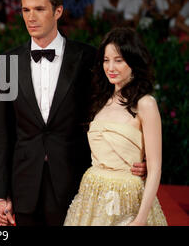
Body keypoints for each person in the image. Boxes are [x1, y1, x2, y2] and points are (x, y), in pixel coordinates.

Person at [0, 0, 146, 226]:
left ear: (58, 11)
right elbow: (2, 131)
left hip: (74, 181)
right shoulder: (9, 62)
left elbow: (109, 112)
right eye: (25, 10)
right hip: (23, 182)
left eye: (39, 9)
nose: (31, 17)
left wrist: (136, 156)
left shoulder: (87, 57)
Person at [64, 27, 168, 226]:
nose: (110, 67)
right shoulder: (100, 100)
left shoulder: (146, 104)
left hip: (129, 201)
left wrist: (141, 219)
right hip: (91, 198)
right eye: (106, 60)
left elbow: (155, 169)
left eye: (118, 60)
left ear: (134, 62)